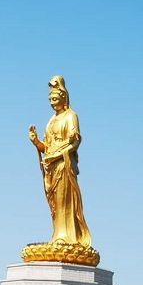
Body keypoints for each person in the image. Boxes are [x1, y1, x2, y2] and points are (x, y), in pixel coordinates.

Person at [28, 76, 93, 247]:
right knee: (55, 203)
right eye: (50, 99)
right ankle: (58, 234)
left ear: (63, 97)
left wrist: (60, 153)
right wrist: (36, 142)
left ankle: (68, 236)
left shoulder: (71, 116)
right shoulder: (51, 121)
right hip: (51, 166)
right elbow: (47, 148)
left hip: (64, 164)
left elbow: (75, 141)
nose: (52, 103)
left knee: (65, 200)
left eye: (55, 99)